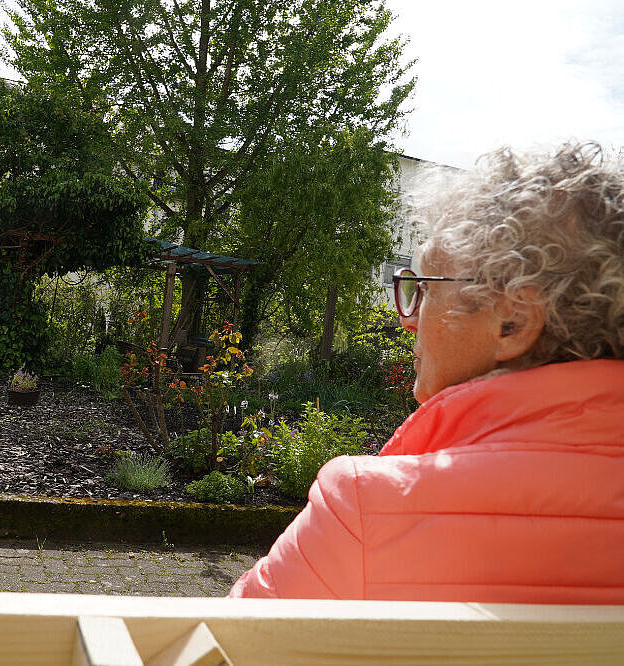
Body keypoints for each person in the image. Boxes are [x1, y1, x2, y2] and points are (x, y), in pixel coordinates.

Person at [229, 143, 624, 603]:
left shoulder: (363, 515)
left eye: (424, 288)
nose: (408, 318)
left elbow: (224, 646)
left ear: (512, 322)